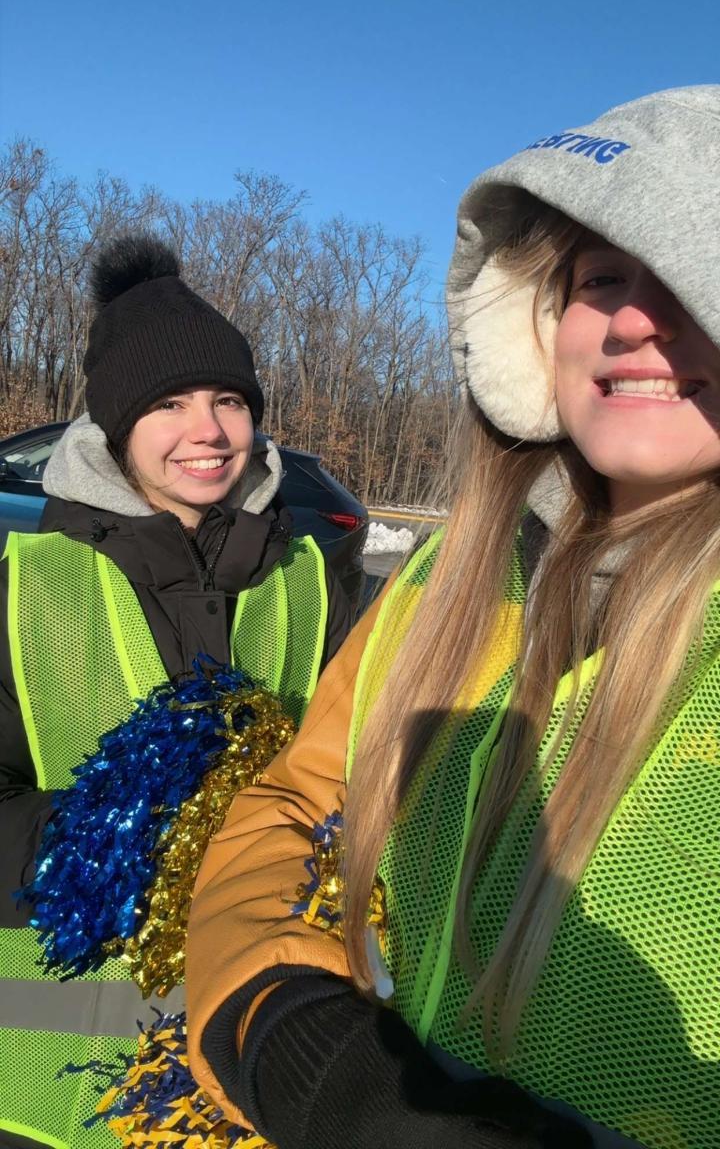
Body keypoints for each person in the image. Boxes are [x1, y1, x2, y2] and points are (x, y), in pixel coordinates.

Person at [185, 85, 720, 1149]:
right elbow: (300, 801)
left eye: (693, 273)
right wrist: (296, 1040)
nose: (633, 319)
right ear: (537, 328)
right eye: (600, 278)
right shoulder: (446, 577)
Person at [0, 234, 350, 1149]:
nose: (209, 431)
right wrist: (118, 842)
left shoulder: (315, 583)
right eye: (169, 404)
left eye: (228, 400)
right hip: (48, 1098)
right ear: (117, 427)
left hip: (249, 1079)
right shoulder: (24, 585)